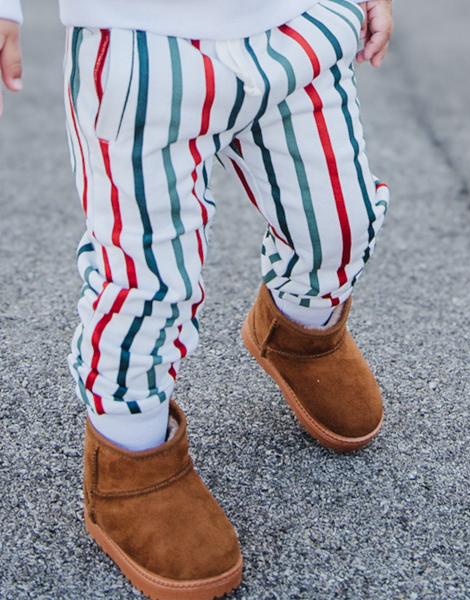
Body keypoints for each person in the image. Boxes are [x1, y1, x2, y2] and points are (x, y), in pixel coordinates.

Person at [0, 1, 393, 598]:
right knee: (148, 280)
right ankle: (130, 452)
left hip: (299, 26)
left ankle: (302, 331)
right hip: (144, 49)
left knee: (343, 220)